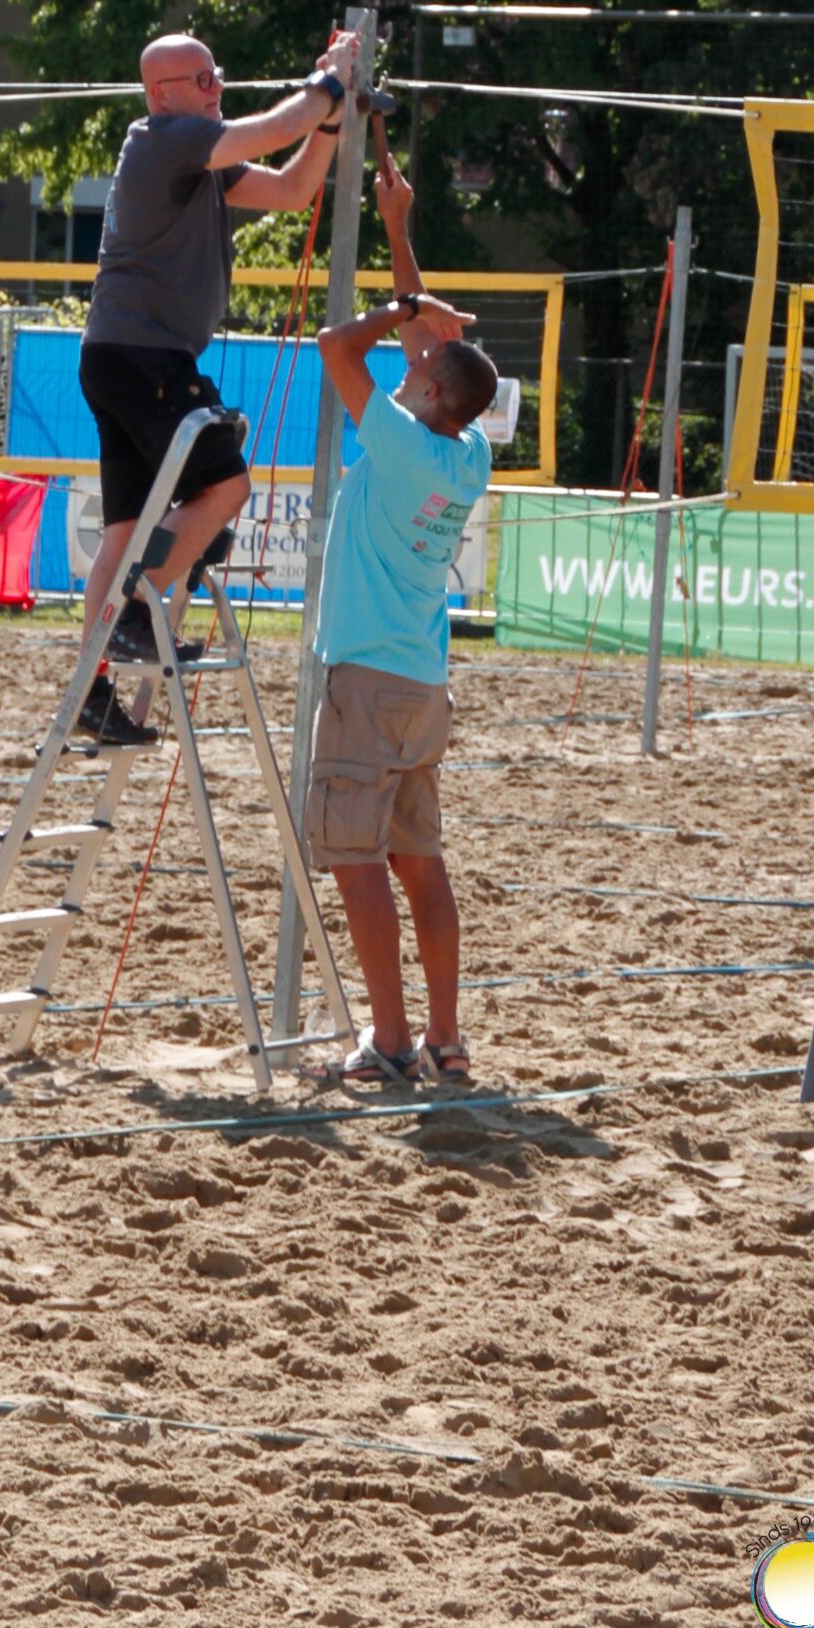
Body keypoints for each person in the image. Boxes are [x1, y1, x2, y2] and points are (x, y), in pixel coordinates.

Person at [75, 28, 360, 745]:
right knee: (226, 488)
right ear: (161, 93)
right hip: (144, 355)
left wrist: (328, 120)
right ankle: (135, 614)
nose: (217, 88)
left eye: (217, 75)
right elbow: (274, 129)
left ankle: (91, 690)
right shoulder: (163, 139)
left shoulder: (197, 157)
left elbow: (292, 190)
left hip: (123, 353)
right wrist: (330, 81)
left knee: (122, 532)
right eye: (202, 79)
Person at [306, 161, 498, 1087]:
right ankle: (444, 1038)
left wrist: (397, 311)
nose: (409, 362)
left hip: (367, 681)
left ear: (426, 396)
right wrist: (396, 225)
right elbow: (434, 345)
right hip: (422, 684)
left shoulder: (396, 442)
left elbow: (333, 345)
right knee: (421, 864)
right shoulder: (469, 451)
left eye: (417, 367)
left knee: (357, 865)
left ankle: (386, 1043)